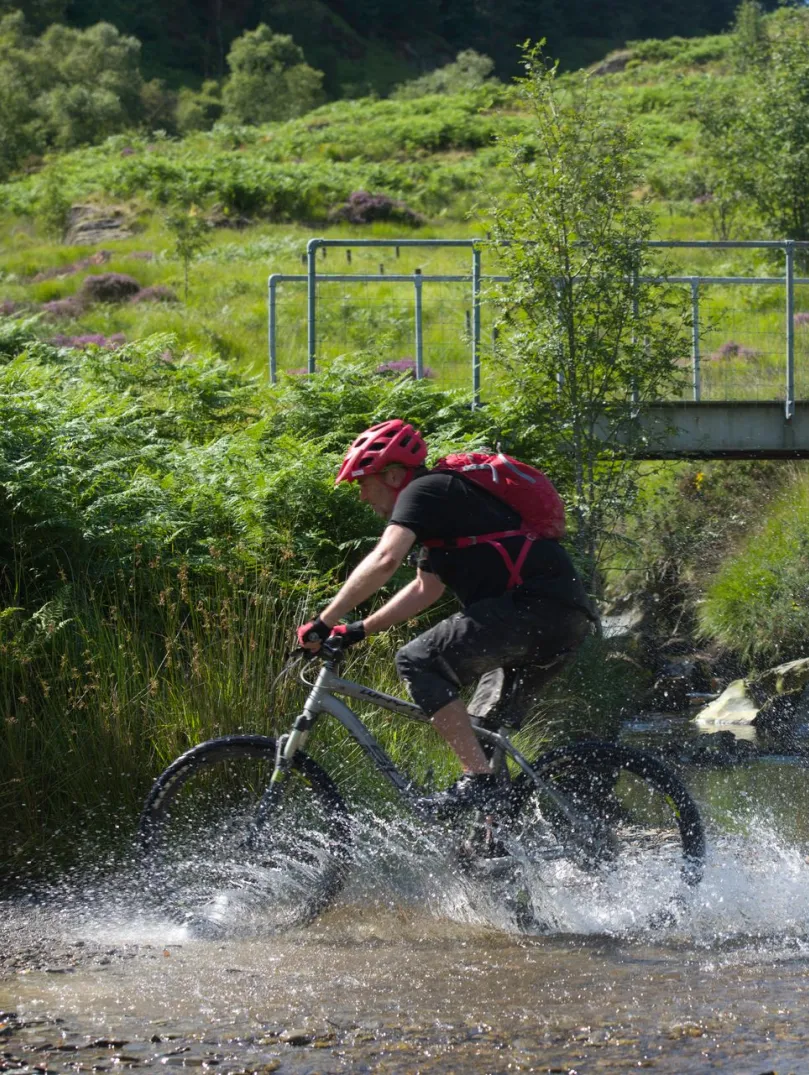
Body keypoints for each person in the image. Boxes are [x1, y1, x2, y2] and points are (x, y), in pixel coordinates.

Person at [296, 419, 596, 811]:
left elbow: (386, 559)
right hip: (560, 617)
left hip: (533, 611)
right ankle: (494, 847)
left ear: (391, 475)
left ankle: (477, 780)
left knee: (416, 660)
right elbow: (425, 588)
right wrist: (357, 629)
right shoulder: (446, 509)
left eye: (362, 482)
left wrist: (323, 619)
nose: (361, 496)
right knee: (479, 732)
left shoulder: (425, 490)